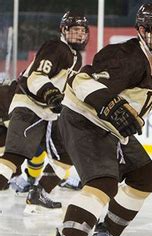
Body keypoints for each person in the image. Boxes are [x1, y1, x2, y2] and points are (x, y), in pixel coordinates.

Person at [43, 3, 152, 236]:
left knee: (146, 177)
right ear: (142, 32)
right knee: (103, 182)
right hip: (84, 119)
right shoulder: (124, 56)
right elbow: (81, 82)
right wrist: (110, 105)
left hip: (112, 128)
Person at [0, 12, 89, 214]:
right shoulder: (56, 47)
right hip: (29, 106)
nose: (79, 35)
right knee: (14, 156)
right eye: (74, 30)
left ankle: (38, 193)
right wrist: (51, 95)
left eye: (82, 31)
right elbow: (36, 77)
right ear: (63, 30)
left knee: (68, 154)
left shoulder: (76, 57)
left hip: (48, 114)